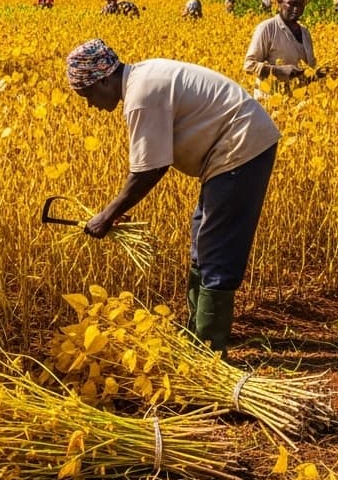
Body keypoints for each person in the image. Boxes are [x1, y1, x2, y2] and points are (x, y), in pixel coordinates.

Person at [67, 39, 280, 355]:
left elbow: (149, 169)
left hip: (240, 147)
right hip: (232, 148)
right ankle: (198, 333)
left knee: (217, 248)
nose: (90, 104)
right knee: (202, 238)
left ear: (104, 79)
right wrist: (116, 209)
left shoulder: (140, 96)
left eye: (88, 95)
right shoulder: (141, 79)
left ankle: (209, 349)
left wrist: (107, 214)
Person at [244, 0, 317, 84]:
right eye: (291, 4)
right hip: (270, 97)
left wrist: (320, 73)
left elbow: (310, 69)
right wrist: (278, 71)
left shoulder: (305, 33)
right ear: (279, 3)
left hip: (299, 97)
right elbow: (249, 65)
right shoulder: (267, 28)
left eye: (300, 5)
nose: (296, 9)